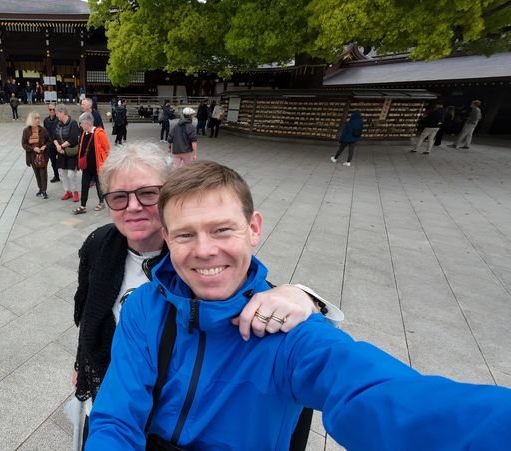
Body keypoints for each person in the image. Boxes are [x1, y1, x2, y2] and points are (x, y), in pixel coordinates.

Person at [86, 160, 511, 450]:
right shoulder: (145, 307)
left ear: (254, 229)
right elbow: (116, 417)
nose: (204, 250)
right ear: (167, 238)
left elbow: (385, 397)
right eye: (185, 235)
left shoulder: (288, 330)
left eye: (221, 230)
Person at [74, 144, 342, 448]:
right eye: (119, 197)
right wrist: (81, 364)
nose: (132, 206)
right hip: (118, 388)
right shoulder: (99, 245)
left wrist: (305, 297)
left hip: (174, 401)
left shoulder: (200, 262)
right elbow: (87, 312)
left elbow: (250, 287)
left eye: (147, 193)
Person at [73, 112, 110, 214]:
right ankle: (83, 206)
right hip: (86, 166)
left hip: (97, 166)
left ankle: (102, 202)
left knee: (99, 185)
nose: (80, 125)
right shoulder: (84, 133)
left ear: (87, 122)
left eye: (81, 123)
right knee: (84, 185)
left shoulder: (99, 133)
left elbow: (107, 149)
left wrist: (104, 162)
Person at [53, 104, 82, 202]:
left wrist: (61, 146)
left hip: (71, 152)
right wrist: (57, 146)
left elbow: (73, 139)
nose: (56, 115)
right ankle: (68, 191)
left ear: (62, 113)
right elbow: (54, 137)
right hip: (61, 152)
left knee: (71, 174)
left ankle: (75, 192)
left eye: (57, 113)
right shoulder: (58, 123)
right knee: (62, 173)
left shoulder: (73, 123)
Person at [21, 111, 52, 199]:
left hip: (42, 156)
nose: (38, 120)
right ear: (31, 120)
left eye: (38, 118)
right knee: (37, 174)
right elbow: (24, 144)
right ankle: (40, 189)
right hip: (32, 156)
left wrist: (44, 146)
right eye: (36, 118)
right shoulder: (26, 131)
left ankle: (44, 190)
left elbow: (49, 141)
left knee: (43, 173)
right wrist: (33, 148)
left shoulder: (43, 130)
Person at [43, 103, 61, 183]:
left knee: (61, 161)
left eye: (54, 109)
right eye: (50, 109)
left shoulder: (59, 119)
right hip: (50, 145)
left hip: (59, 144)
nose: (52, 111)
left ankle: (63, 175)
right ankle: (56, 175)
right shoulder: (46, 121)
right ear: (48, 110)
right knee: (53, 162)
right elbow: (45, 133)